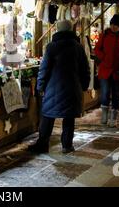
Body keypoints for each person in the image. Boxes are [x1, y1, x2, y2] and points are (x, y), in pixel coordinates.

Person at [28, 20, 90, 154]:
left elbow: (44, 69)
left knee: (48, 117)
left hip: (53, 88)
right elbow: (85, 69)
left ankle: (42, 144)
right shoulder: (78, 47)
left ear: (58, 30)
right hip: (73, 88)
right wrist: (84, 86)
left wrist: (40, 86)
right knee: (69, 118)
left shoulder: (52, 47)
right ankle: (67, 145)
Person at [94, 13, 119, 128]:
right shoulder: (105, 35)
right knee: (105, 93)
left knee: (116, 94)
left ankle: (114, 117)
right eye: (112, 24)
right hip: (105, 69)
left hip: (118, 71)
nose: (113, 27)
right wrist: (103, 58)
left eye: (116, 25)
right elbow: (97, 49)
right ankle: (104, 115)